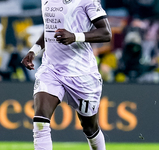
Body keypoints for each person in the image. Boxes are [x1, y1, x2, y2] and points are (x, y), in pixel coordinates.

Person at [21, 0, 112, 149]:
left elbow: (106, 33)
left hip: (82, 73)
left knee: (90, 128)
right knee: (40, 120)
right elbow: (50, 29)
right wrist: (34, 51)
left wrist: (75, 36)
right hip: (51, 69)